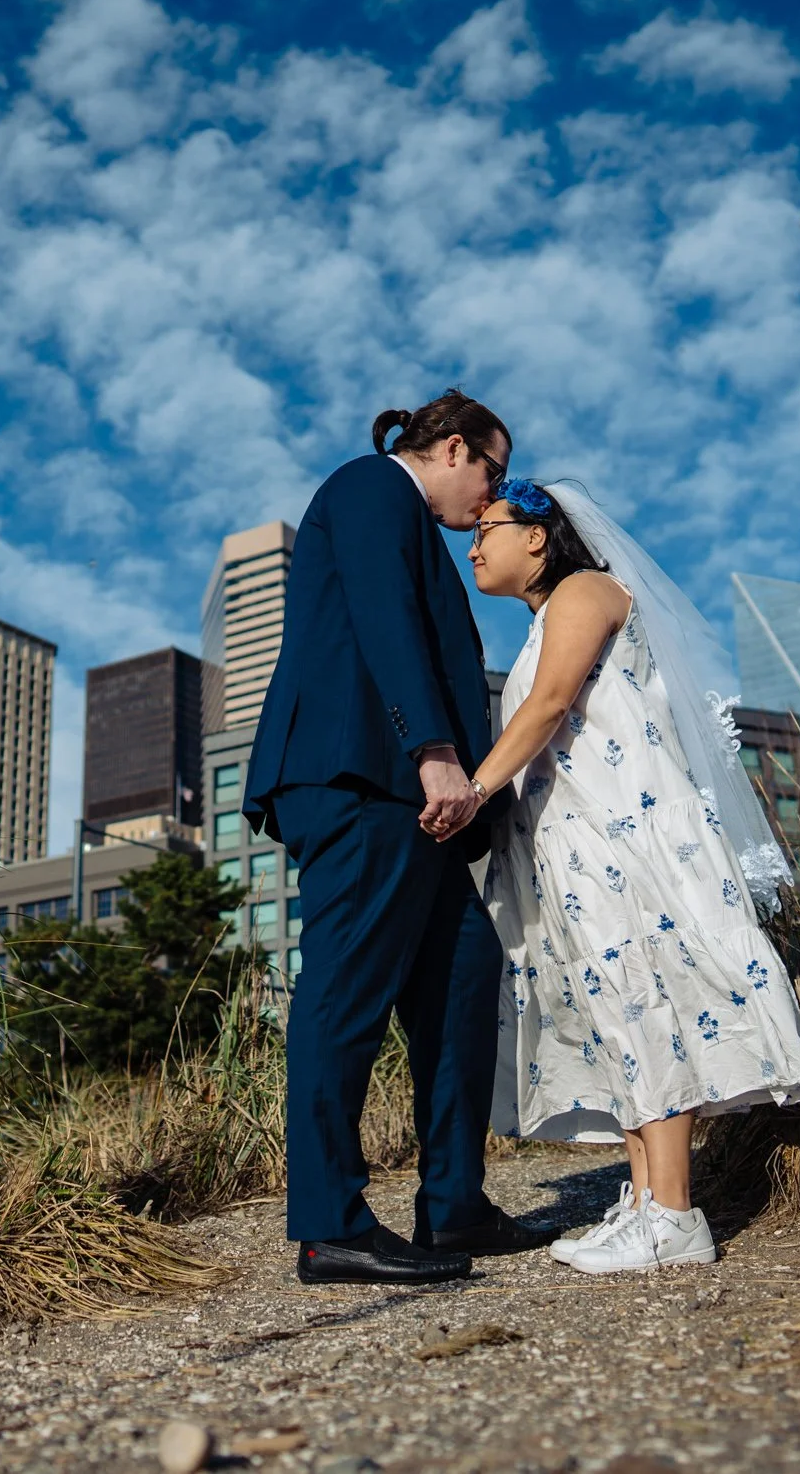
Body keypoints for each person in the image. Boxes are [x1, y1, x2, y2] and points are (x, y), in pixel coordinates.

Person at [466, 477, 800, 1275]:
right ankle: (644, 1199)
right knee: (616, 1007)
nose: (473, 547)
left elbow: (551, 703)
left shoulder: (584, 589)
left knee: (642, 993)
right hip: (578, 845)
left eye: (486, 528)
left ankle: (673, 1212)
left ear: (537, 534)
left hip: (619, 836)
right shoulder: (543, 619)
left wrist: (473, 789)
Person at [244, 390, 562, 1285]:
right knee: (346, 987)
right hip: (361, 777)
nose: (495, 493)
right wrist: (433, 749)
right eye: (494, 470)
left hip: (405, 795)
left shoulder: (403, 515)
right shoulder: (370, 486)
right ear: (453, 448)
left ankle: (452, 1205)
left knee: (464, 969)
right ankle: (330, 1225)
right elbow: (383, 615)